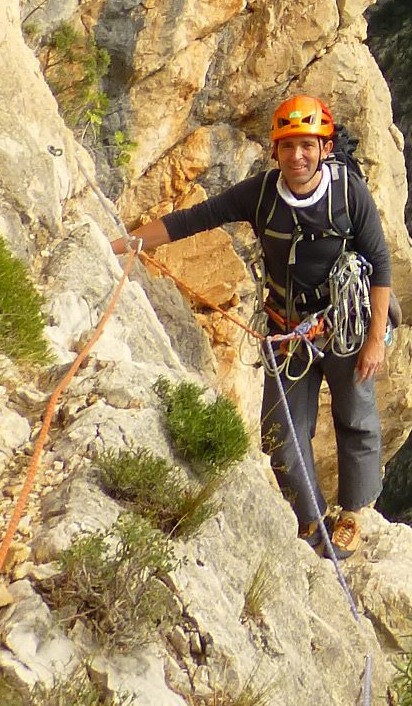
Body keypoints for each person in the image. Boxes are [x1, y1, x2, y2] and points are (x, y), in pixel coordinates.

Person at [112, 93, 393, 554]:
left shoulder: (348, 193)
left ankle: (352, 516)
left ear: (324, 148)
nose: (297, 156)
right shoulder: (261, 194)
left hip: (343, 325)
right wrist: (125, 244)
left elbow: (379, 264)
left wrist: (376, 340)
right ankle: (311, 519)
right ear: (275, 150)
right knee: (279, 432)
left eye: (307, 145)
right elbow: (193, 219)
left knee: (356, 418)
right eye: (287, 146)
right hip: (288, 329)